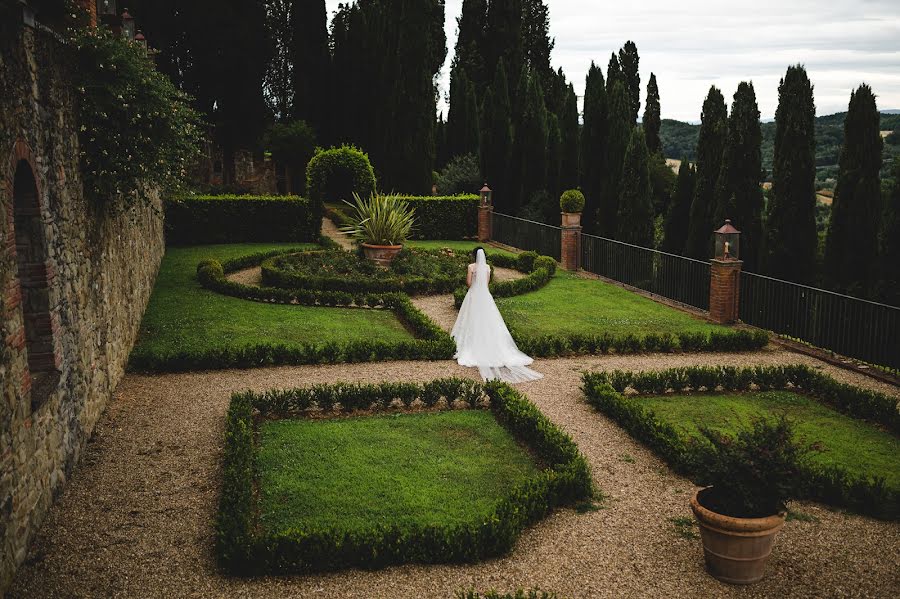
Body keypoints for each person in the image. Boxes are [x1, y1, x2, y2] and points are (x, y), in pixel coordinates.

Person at [451, 248, 543, 382]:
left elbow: (469, 283)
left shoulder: (471, 266)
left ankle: (473, 342)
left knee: (471, 318)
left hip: (474, 295)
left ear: (474, 255)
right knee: (490, 320)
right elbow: (487, 283)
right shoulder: (488, 267)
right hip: (485, 295)